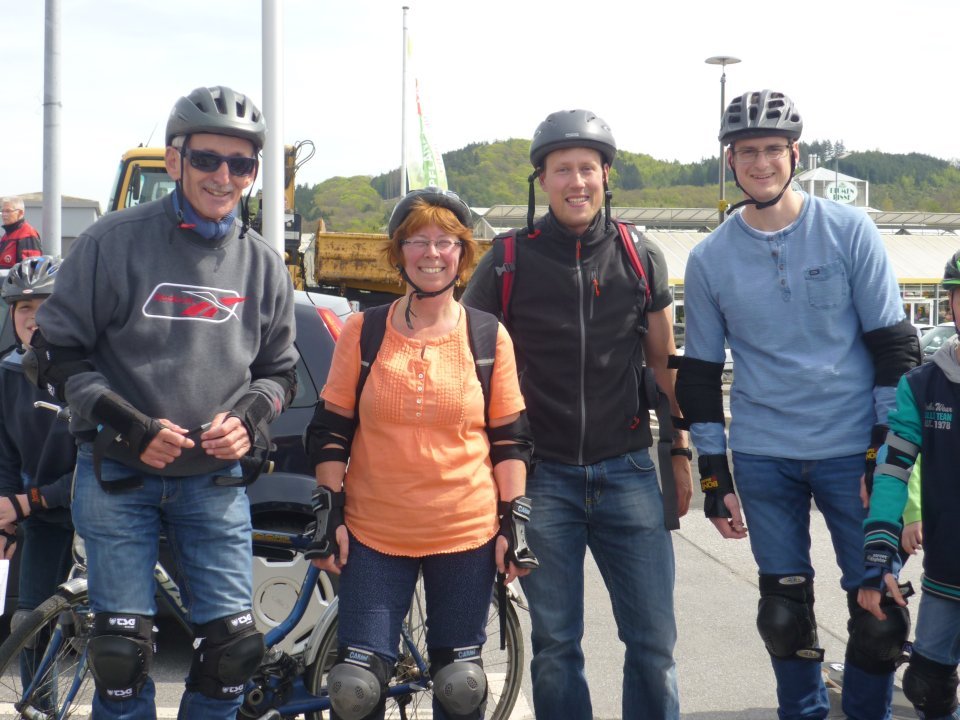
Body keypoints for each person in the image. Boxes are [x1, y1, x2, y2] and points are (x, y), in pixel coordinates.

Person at [28, 85, 297, 720]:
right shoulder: (111, 241)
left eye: (241, 164)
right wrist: (127, 426)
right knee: (120, 660)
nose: (223, 176)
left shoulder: (263, 264)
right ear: (174, 159)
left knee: (232, 656)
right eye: (207, 159)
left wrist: (249, 420)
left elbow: (280, 373)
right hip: (119, 477)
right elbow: (53, 355)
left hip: (214, 482)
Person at [675, 89, 920, 720]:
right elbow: (700, 375)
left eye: (772, 149)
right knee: (783, 614)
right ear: (729, 161)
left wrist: (885, 453)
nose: (760, 163)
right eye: (746, 151)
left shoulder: (849, 231)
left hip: (852, 451)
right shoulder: (708, 259)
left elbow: (895, 348)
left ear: (795, 153)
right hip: (765, 454)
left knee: (881, 611)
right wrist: (714, 475)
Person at [462, 109, 692, 720]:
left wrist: (681, 452)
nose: (576, 182)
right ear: (541, 180)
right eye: (562, 169)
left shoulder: (640, 255)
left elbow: (665, 366)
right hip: (542, 479)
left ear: (606, 175)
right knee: (556, 645)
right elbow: (465, 367)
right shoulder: (507, 259)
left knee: (654, 644)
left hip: (628, 471)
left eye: (587, 168)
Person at [303, 187, 537, 720]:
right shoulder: (364, 331)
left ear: (462, 253)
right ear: (398, 252)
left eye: (445, 241)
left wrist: (513, 522)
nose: (432, 253)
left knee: (460, 685)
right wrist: (329, 513)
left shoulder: (487, 336)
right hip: (375, 533)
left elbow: (510, 439)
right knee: (355, 689)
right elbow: (332, 430)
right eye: (417, 241)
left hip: (465, 533)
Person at [858, 250, 960, 720]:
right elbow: (893, 471)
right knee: (927, 688)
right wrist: (879, 556)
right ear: (950, 303)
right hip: (946, 573)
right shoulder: (921, 385)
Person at [0, 256, 75, 690]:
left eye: (45, 306)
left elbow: (99, 463)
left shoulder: (90, 372)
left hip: (103, 511)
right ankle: (38, 708)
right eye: (24, 308)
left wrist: (28, 501)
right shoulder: (8, 372)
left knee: (113, 635)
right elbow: (6, 457)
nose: (34, 317)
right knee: (28, 623)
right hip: (42, 516)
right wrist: (6, 520)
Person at [0, 197, 42, 270]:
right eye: (2, 211)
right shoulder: (6, 235)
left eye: (8, 211)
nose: (4, 214)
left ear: (20, 213)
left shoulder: (27, 234)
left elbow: (30, 269)